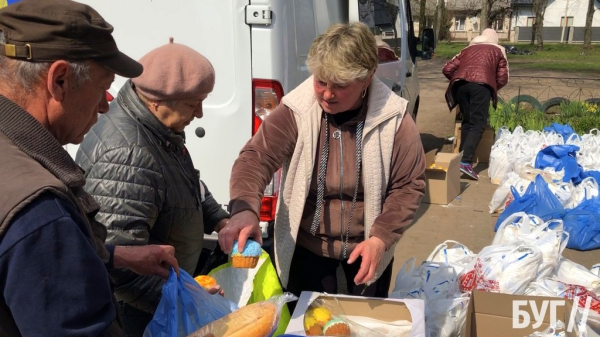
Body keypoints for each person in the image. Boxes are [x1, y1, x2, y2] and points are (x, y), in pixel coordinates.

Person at [0, 1, 180, 336]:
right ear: (61, 80)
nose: (105, 103)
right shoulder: (41, 211)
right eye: (102, 86)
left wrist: (114, 255)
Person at [219, 22, 426, 304]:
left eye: (340, 86)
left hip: (368, 247)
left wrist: (381, 238)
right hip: (307, 249)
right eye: (321, 81)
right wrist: (244, 209)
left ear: (367, 79)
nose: (327, 94)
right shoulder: (297, 109)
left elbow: (408, 185)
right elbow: (255, 159)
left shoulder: (395, 118)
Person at [76, 40, 230, 336]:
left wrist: (219, 218)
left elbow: (188, 181)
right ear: (157, 99)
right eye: (192, 103)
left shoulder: (159, 129)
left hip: (163, 299)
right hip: (141, 315)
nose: (199, 113)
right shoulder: (129, 152)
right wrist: (187, 298)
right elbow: (125, 266)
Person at [443, 28, 509, 180]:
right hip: (481, 86)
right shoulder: (498, 50)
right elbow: (503, 78)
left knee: (467, 121)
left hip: (461, 85)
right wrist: (491, 86)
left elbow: (447, 68)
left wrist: (458, 78)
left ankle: (460, 158)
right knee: (478, 123)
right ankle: (466, 162)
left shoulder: (467, 49)